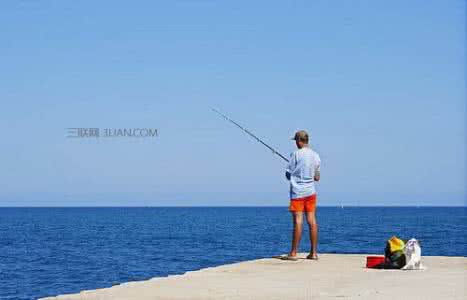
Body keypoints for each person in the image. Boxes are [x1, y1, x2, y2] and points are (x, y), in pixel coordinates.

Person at [283, 130, 321, 261]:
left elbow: (288, 174)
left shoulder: (295, 154)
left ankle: (293, 253)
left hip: (298, 193)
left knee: (298, 221)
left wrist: (292, 173)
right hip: (311, 192)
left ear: (299, 140)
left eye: (296, 141)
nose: (295, 143)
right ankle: (314, 253)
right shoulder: (316, 156)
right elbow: (317, 177)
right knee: (312, 220)